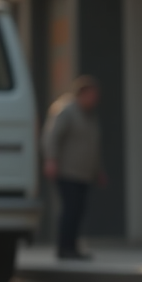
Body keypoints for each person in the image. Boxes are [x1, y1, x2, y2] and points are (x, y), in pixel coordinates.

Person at [41, 75, 103, 260]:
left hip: (84, 173)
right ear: (82, 94)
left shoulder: (89, 114)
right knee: (70, 209)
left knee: (79, 211)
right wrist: (51, 160)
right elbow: (51, 136)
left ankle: (73, 247)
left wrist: (98, 170)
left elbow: (92, 144)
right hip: (67, 172)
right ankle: (64, 248)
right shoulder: (66, 110)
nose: (95, 100)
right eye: (92, 95)